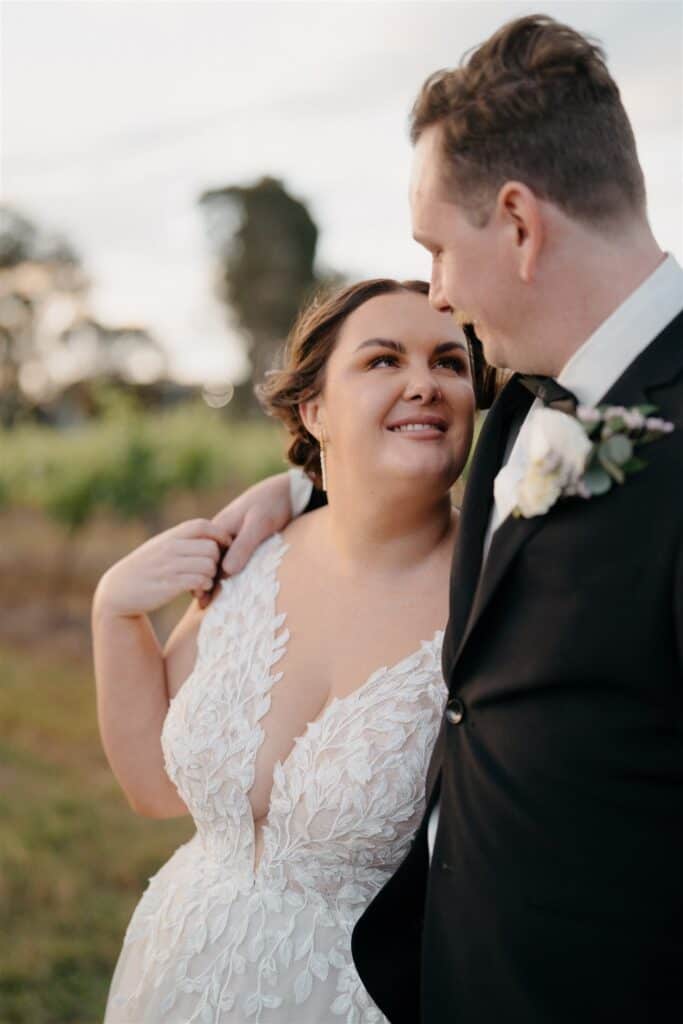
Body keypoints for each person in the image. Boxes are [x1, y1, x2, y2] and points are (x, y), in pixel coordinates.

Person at [206, 14, 683, 1024]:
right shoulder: (520, 406)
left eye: (434, 248)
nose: (437, 290)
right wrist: (294, 489)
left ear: (516, 222)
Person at [93, 278, 477, 1022]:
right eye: (382, 361)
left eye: (450, 363)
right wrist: (114, 613)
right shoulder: (249, 557)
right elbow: (153, 787)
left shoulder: (497, 593)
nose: (423, 384)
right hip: (175, 968)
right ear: (314, 408)